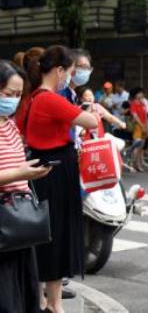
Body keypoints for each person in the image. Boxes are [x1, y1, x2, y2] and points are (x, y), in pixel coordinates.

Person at [16, 46, 99, 313]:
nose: (72, 77)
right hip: (54, 173)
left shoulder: (36, 98)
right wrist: (92, 110)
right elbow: (91, 122)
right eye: (71, 71)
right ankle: (51, 303)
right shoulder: (49, 99)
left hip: (48, 171)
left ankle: (50, 301)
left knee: (50, 236)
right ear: (60, 70)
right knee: (55, 236)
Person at [0, 60, 51, 313]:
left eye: (18, 95)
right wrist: (19, 173)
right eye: (9, 94)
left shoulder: (9, 124)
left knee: (24, 291)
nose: (13, 100)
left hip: (19, 219)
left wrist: (29, 171)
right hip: (3, 220)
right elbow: (13, 171)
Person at [128, 88, 148, 172]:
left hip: (144, 126)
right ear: (135, 94)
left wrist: (146, 127)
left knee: (141, 147)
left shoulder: (143, 104)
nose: (141, 94)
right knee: (136, 146)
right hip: (137, 127)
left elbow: (145, 116)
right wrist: (142, 125)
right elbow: (135, 116)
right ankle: (132, 164)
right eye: (139, 93)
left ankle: (138, 164)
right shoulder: (133, 104)